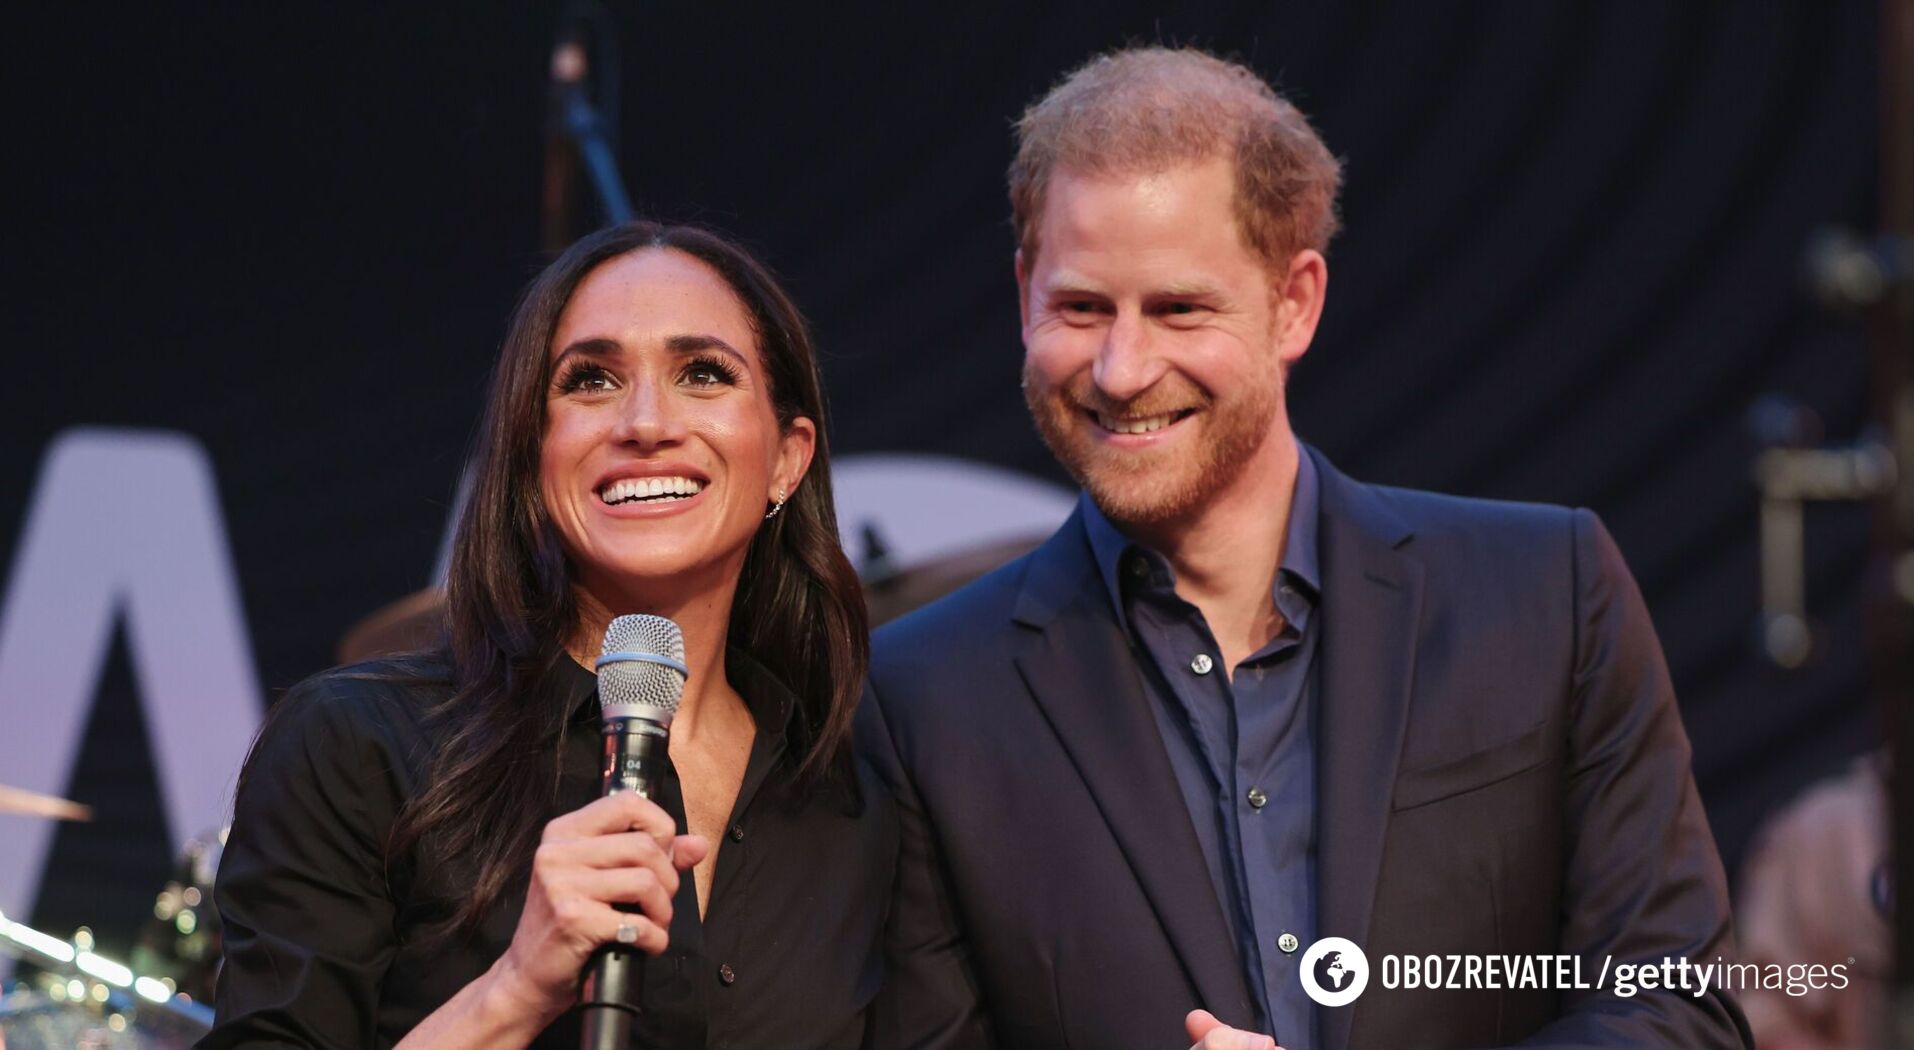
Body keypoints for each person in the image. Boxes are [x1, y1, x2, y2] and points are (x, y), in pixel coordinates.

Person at [860, 47, 1751, 1049]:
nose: (1121, 367)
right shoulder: (922, 698)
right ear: (1023, 291)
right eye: (1080, 308)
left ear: (1296, 302)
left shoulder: (1546, 597)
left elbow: (1681, 1018)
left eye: (1179, 309)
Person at [205, 222, 892, 1048]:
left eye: (703, 374)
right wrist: (516, 988)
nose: (645, 423)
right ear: (535, 451)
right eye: (591, 380)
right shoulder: (357, 748)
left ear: (788, 457)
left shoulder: (856, 792)